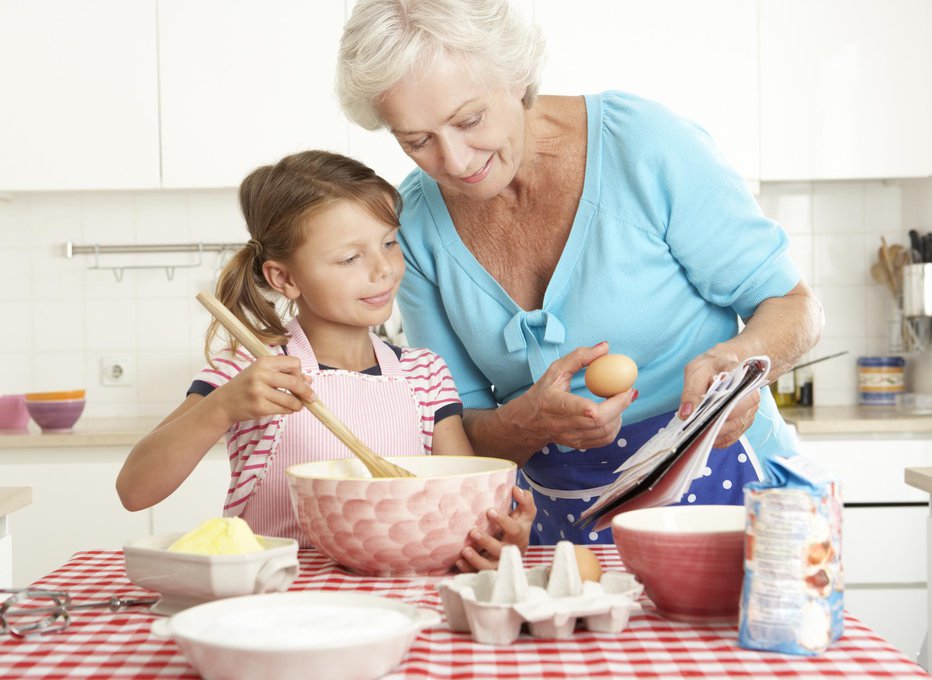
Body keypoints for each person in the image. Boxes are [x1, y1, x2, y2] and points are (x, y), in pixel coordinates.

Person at [336, 0, 824, 545]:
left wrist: (737, 364)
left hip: (732, 492)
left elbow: (794, 305)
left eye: (469, 120)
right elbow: (456, 431)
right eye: (416, 141)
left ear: (516, 75)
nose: (453, 160)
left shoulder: (642, 145)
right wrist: (529, 420)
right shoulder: (415, 226)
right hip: (558, 523)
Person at [115, 150, 535, 572]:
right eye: (350, 258)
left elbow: (461, 502)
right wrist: (222, 406)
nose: (383, 269)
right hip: (274, 597)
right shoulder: (251, 373)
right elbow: (135, 490)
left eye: (389, 242)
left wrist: (500, 537)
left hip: (398, 592)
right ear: (285, 278)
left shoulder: (423, 375)